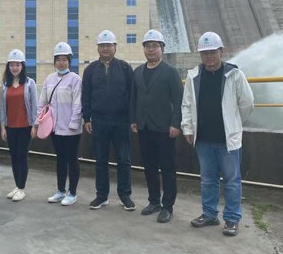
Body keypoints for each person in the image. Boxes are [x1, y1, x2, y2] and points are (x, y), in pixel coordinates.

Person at [181, 31, 254, 237]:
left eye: (212, 52)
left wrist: (233, 122)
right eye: (205, 53)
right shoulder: (194, 76)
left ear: (221, 51)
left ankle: (232, 219)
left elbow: (247, 103)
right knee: (207, 180)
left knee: (232, 180)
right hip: (203, 138)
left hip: (227, 139)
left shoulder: (234, 74)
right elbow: (186, 104)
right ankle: (209, 214)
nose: (209, 57)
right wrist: (188, 128)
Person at [130, 29, 183, 224]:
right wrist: (133, 120)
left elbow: (178, 100)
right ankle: (154, 201)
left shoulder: (170, 72)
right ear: (144, 49)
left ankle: (168, 206)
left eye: (155, 46)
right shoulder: (138, 72)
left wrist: (176, 124)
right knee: (149, 167)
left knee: (167, 168)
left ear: (162, 49)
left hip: (164, 128)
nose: (151, 49)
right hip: (144, 127)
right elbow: (133, 98)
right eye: (147, 46)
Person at [82, 30, 135, 211]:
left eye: (108, 45)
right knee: (100, 160)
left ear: (115, 47)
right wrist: (86, 118)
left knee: (124, 159)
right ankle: (101, 196)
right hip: (99, 120)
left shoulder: (125, 68)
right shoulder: (90, 70)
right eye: (102, 45)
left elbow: (132, 95)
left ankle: (125, 195)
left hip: (121, 120)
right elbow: (86, 95)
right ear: (98, 48)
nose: (105, 48)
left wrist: (132, 119)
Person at [38, 42, 83, 206]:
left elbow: (78, 103)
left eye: (64, 59)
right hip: (54, 128)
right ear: (54, 61)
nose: (61, 62)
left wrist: (73, 123)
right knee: (60, 160)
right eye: (58, 59)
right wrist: (38, 122)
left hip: (71, 129)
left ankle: (72, 193)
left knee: (72, 159)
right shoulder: (49, 79)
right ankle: (60, 191)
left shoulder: (75, 79)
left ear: (69, 61)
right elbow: (42, 102)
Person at [0, 49, 38, 202]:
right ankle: (17, 185)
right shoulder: (5, 85)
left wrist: (34, 125)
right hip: (10, 127)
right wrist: (3, 126)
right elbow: (2, 107)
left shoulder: (29, 83)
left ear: (22, 66)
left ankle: (21, 188)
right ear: (8, 66)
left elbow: (34, 105)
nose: (14, 68)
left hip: (25, 127)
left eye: (17, 65)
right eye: (12, 65)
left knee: (22, 156)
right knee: (14, 157)